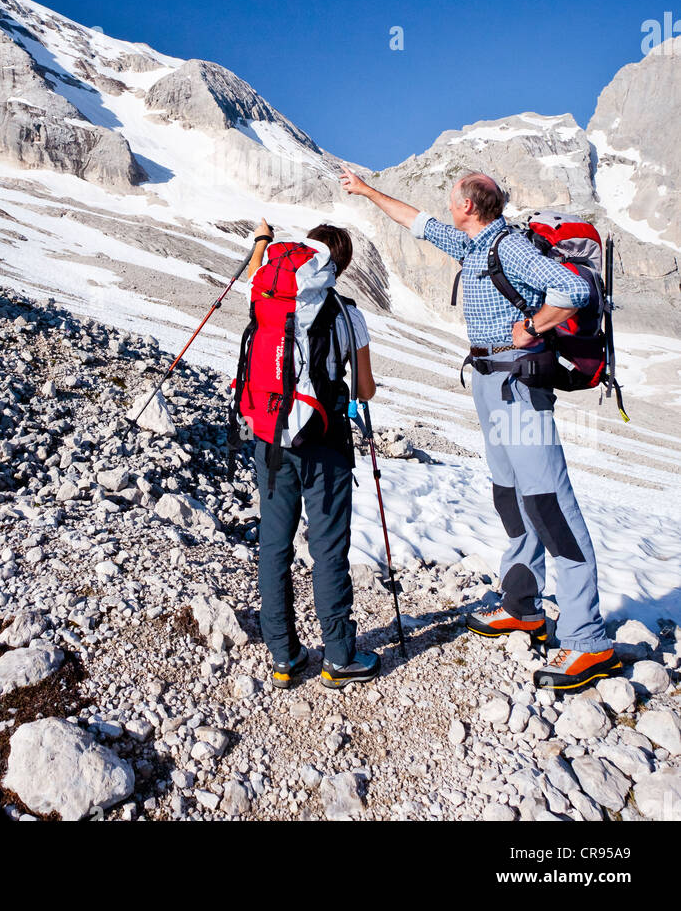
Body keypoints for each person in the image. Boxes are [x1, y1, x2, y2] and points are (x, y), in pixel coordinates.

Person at [339, 168, 621, 694]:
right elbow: (414, 221)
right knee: (511, 498)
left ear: (469, 204)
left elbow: (574, 288)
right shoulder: (472, 244)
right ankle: (524, 608)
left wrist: (535, 326)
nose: (445, 204)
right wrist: (366, 191)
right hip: (489, 383)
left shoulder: (507, 247)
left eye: (451, 197)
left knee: (549, 504)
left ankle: (588, 638)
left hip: (517, 384)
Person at [244, 217, 381, 690]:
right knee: (328, 551)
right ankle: (339, 656)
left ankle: (284, 655)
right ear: (335, 267)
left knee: (274, 548)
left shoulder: (266, 297)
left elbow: (254, 275)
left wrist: (262, 241)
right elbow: (364, 389)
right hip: (324, 443)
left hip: (269, 437)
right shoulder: (348, 314)